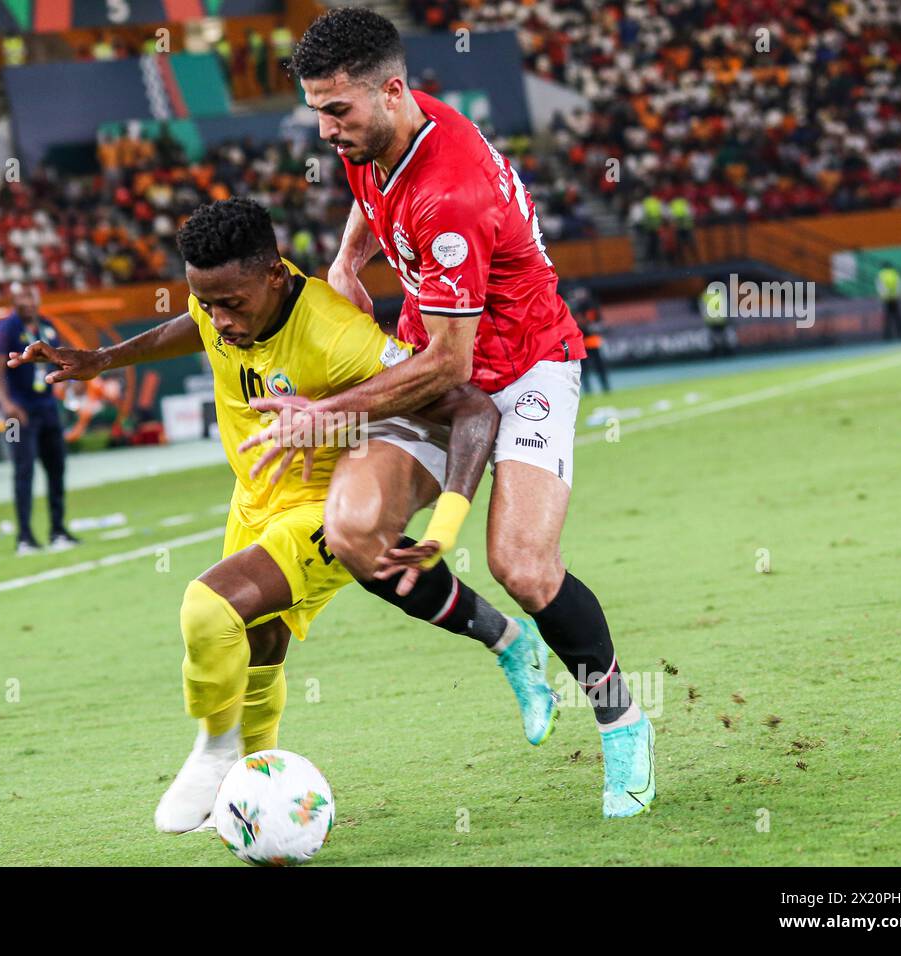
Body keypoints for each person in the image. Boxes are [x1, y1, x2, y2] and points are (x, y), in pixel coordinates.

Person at [9, 198, 547, 834]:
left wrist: (446, 522)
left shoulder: (336, 335)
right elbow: (192, 326)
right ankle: (252, 778)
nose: (218, 318)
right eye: (205, 300)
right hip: (253, 498)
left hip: (320, 505)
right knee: (260, 642)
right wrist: (103, 359)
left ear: (273, 276)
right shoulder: (225, 295)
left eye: (229, 303)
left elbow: (471, 410)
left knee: (208, 612)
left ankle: (214, 754)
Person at [249, 9, 653, 818]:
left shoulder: (451, 193)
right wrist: (346, 256)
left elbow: (451, 366)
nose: (326, 131)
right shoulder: (385, 129)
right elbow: (373, 192)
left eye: (338, 112)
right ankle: (507, 646)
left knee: (525, 565)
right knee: (354, 532)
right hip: (436, 353)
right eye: (318, 110)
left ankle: (624, 725)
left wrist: (323, 413)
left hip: (524, 363)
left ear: (392, 92)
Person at [0, 285, 77, 555]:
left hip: (47, 406)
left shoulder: (47, 327)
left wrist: (71, 382)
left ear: (38, 300)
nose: (27, 303)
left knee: (57, 467)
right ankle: (24, 536)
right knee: (23, 470)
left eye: (31, 297)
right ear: (14, 301)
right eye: (21, 298)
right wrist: (6, 403)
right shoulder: (6, 329)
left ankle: (58, 529)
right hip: (17, 412)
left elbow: (59, 360)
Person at [876, 263, 901, 340]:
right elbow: (900, 284)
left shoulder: (881, 274)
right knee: (898, 317)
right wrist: (899, 294)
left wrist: (884, 294)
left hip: (886, 298)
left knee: (887, 318)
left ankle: (887, 335)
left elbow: (880, 286)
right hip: (895, 297)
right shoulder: (895, 273)